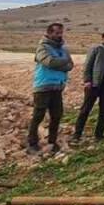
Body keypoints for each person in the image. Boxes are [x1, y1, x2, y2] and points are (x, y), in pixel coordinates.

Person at [27, 22, 73, 154]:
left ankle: (52, 142)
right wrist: (64, 61)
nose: (60, 35)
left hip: (57, 86)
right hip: (43, 86)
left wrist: (62, 62)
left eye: (61, 33)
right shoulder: (42, 47)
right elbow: (50, 62)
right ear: (49, 33)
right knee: (38, 115)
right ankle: (32, 143)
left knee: (56, 115)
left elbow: (70, 65)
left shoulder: (63, 49)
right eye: (57, 33)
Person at [74, 29, 104, 142]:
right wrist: (87, 80)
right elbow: (88, 65)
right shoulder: (96, 49)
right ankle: (77, 134)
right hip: (94, 85)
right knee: (86, 109)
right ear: (103, 38)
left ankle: (99, 134)